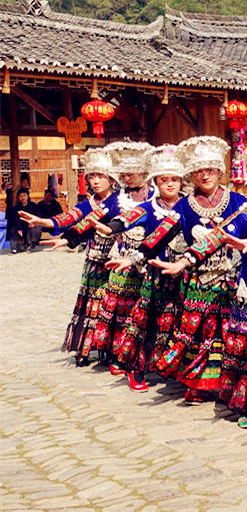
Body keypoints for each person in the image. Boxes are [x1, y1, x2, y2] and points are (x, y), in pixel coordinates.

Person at [158, 146, 247, 428]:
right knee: (246, 351)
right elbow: (216, 237)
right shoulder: (244, 214)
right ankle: (246, 402)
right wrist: (184, 260)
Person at [143, 136, 247, 404]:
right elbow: (162, 232)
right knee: (199, 330)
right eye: (199, 171)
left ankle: (230, 383)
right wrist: (137, 255)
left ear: (220, 172)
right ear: (192, 174)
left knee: (232, 331)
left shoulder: (238, 201)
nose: (205, 176)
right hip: (199, 278)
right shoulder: (184, 205)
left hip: (233, 278)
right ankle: (198, 383)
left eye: (211, 170)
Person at [19, 149, 121, 364]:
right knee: (91, 303)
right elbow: (68, 218)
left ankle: (116, 349)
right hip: (96, 260)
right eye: (92, 176)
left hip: (121, 260)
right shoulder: (88, 205)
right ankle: (84, 348)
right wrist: (42, 222)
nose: (95, 181)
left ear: (111, 178)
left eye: (100, 176)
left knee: (118, 303)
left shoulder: (122, 201)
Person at [100, 145, 187, 392]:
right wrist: (111, 228)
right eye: (163, 180)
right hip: (156, 275)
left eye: (174, 179)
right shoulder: (149, 208)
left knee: (182, 323)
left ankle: (175, 370)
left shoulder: (189, 206)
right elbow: (126, 219)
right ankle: (136, 370)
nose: (169, 185)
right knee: (148, 324)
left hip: (184, 273)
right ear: (155, 182)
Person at [91, 141, 155, 376]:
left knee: (148, 310)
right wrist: (65, 233)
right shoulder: (116, 198)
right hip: (122, 256)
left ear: (145, 172)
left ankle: (148, 356)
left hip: (149, 258)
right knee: (122, 309)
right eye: (124, 173)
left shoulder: (156, 194)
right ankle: (120, 354)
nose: (127, 178)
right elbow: (89, 215)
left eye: (132, 173)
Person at [7, 188, 41, 252]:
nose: (22, 198)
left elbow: (38, 217)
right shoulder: (16, 208)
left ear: (27, 196)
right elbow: (15, 220)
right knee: (13, 230)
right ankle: (14, 248)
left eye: (24, 195)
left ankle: (31, 244)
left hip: (32, 224)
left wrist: (33, 223)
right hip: (21, 226)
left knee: (36, 228)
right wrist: (19, 228)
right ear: (18, 197)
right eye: (20, 196)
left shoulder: (33, 206)